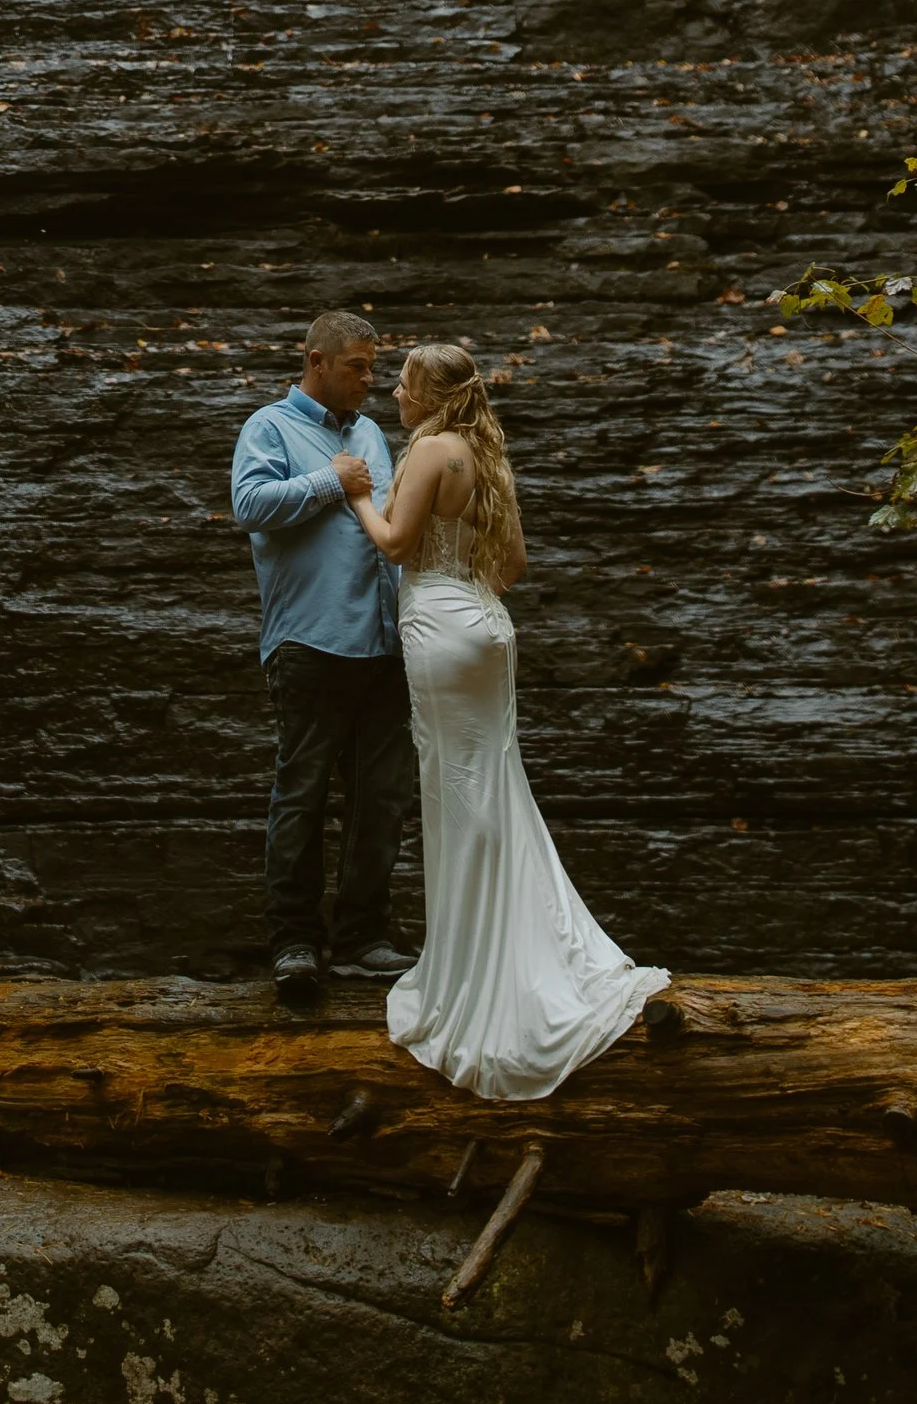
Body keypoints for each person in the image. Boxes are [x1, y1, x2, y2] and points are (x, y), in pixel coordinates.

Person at [346, 338, 666, 1099]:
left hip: (438, 628)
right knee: (494, 784)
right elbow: (513, 563)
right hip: (486, 626)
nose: (393, 393)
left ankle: (477, 976)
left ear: (431, 394)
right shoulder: (486, 454)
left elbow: (393, 544)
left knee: (456, 795)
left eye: (403, 384)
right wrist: (466, 589)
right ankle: (519, 944)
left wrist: (354, 489)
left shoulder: (431, 450)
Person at [229, 307, 418, 1007]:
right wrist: (328, 482)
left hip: (384, 643)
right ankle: (294, 943)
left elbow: (390, 524)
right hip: (309, 642)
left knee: (383, 798)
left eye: (374, 368)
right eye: (357, 368)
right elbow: (248, 504)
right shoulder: (268, 428)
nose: (370, 381)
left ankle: (366, 937)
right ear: (316, 361)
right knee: (302, 794)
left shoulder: (370, 432)